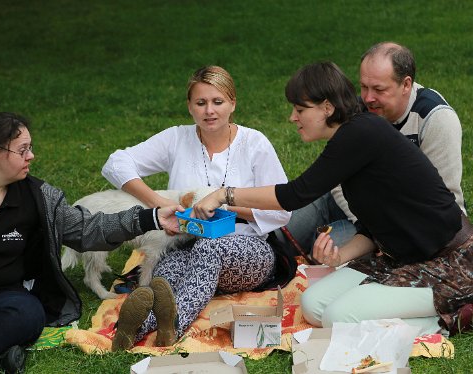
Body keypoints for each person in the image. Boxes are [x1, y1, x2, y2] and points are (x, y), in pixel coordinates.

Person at [193, 62, 473, 336]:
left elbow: (295, 195)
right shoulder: (353, 136)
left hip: (451, 264)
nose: (293, 117)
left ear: (327, 107)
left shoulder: (361, 132)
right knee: (313, 306)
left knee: (339, 318)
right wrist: (341, 256)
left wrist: (224, 194)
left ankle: (451, 318)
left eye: (300, 109)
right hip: (399, 257)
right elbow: (373, 227)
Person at [0, 112, 182, 373]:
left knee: (28, 313)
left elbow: (87, 228)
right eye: (23, 150)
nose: (31, 156)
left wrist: (151, 218)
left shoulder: (37, 196)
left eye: (31, 148)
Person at [101, 65, 292, 350]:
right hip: (185, 244)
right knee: (166, 273)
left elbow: (282, 209)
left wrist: (225, 204)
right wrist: (160, 203)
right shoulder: (177, 138)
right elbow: (115, 164)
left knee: (208, 249)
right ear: (190, 106)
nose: (209, 111)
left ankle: (171, 324)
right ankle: (135, 326)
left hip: (249, 250)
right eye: (200, 103)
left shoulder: (254, 144)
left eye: (218, 102)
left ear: (233, 104)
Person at [283, 42, 466, 256]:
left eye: (379, 89)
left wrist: (372, 232)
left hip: (393, 223)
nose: (367, 98)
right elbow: (335, 180)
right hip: (351, 206)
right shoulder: (358, 109)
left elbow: (443, 198)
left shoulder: (435, 119)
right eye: (363, 87)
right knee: (284, 232)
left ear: (406, 84)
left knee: (329, 257)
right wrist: (361, 219)